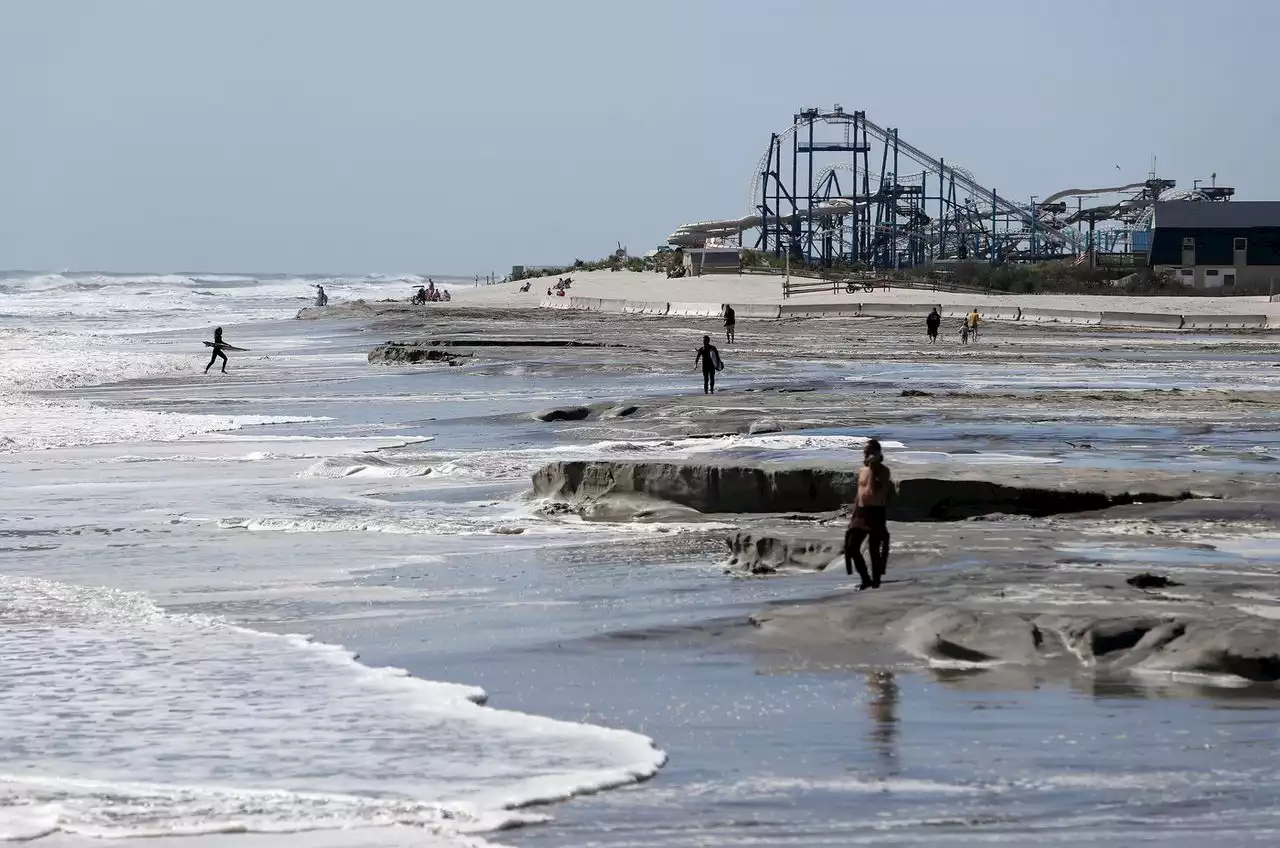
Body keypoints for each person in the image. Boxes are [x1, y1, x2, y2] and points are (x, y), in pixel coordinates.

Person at [844, 438, 894, 590]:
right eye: (865, 453)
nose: (866, 456)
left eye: (869, 453)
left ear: (877, 454)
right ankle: (865, 578)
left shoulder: (884, 471)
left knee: (874, 549)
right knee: (851, 547)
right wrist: (853, 514)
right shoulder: (862, 470)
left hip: (876, 512)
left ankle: (876, 581)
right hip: (861, 512)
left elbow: (875, 493)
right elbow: (860, 493)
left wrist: (872, 470)